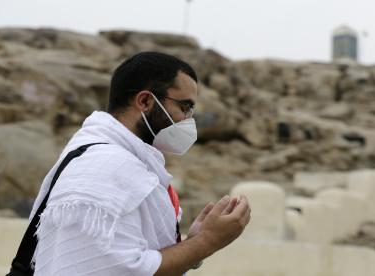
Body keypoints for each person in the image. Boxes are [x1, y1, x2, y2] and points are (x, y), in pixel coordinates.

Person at [30, 51, 251, 275]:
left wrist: (190, 243)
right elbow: (107, 268)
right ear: (145, 101)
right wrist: (206, 241)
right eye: (184, 107)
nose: (188, 120)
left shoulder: (125, 162)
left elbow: (130, 255)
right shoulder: (104, 165)